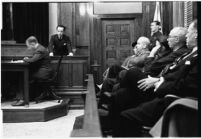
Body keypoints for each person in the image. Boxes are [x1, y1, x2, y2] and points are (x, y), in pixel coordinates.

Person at [112, 20, 198, 137]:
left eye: (189, 32)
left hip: (166, 94)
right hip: (159, 83)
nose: (187, 35)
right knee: (122, 93)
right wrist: (158, 78)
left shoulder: (186, 53)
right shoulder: (187, 53)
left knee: (130, 73)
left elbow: (184, 83)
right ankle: (108, 123)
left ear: (196, 34)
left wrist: (159, 80)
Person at [12, 36, 54, 106]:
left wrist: (25, 59)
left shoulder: (40, 49)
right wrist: (28, 59)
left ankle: (22, 99)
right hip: (44, 71)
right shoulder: (40, 48)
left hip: (44, 73)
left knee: (22, 76)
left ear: (33, 43)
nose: (29, 48)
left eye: (29, 46)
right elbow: (34, 59)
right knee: (23, 75)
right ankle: (23, 98)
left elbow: (33, 60)